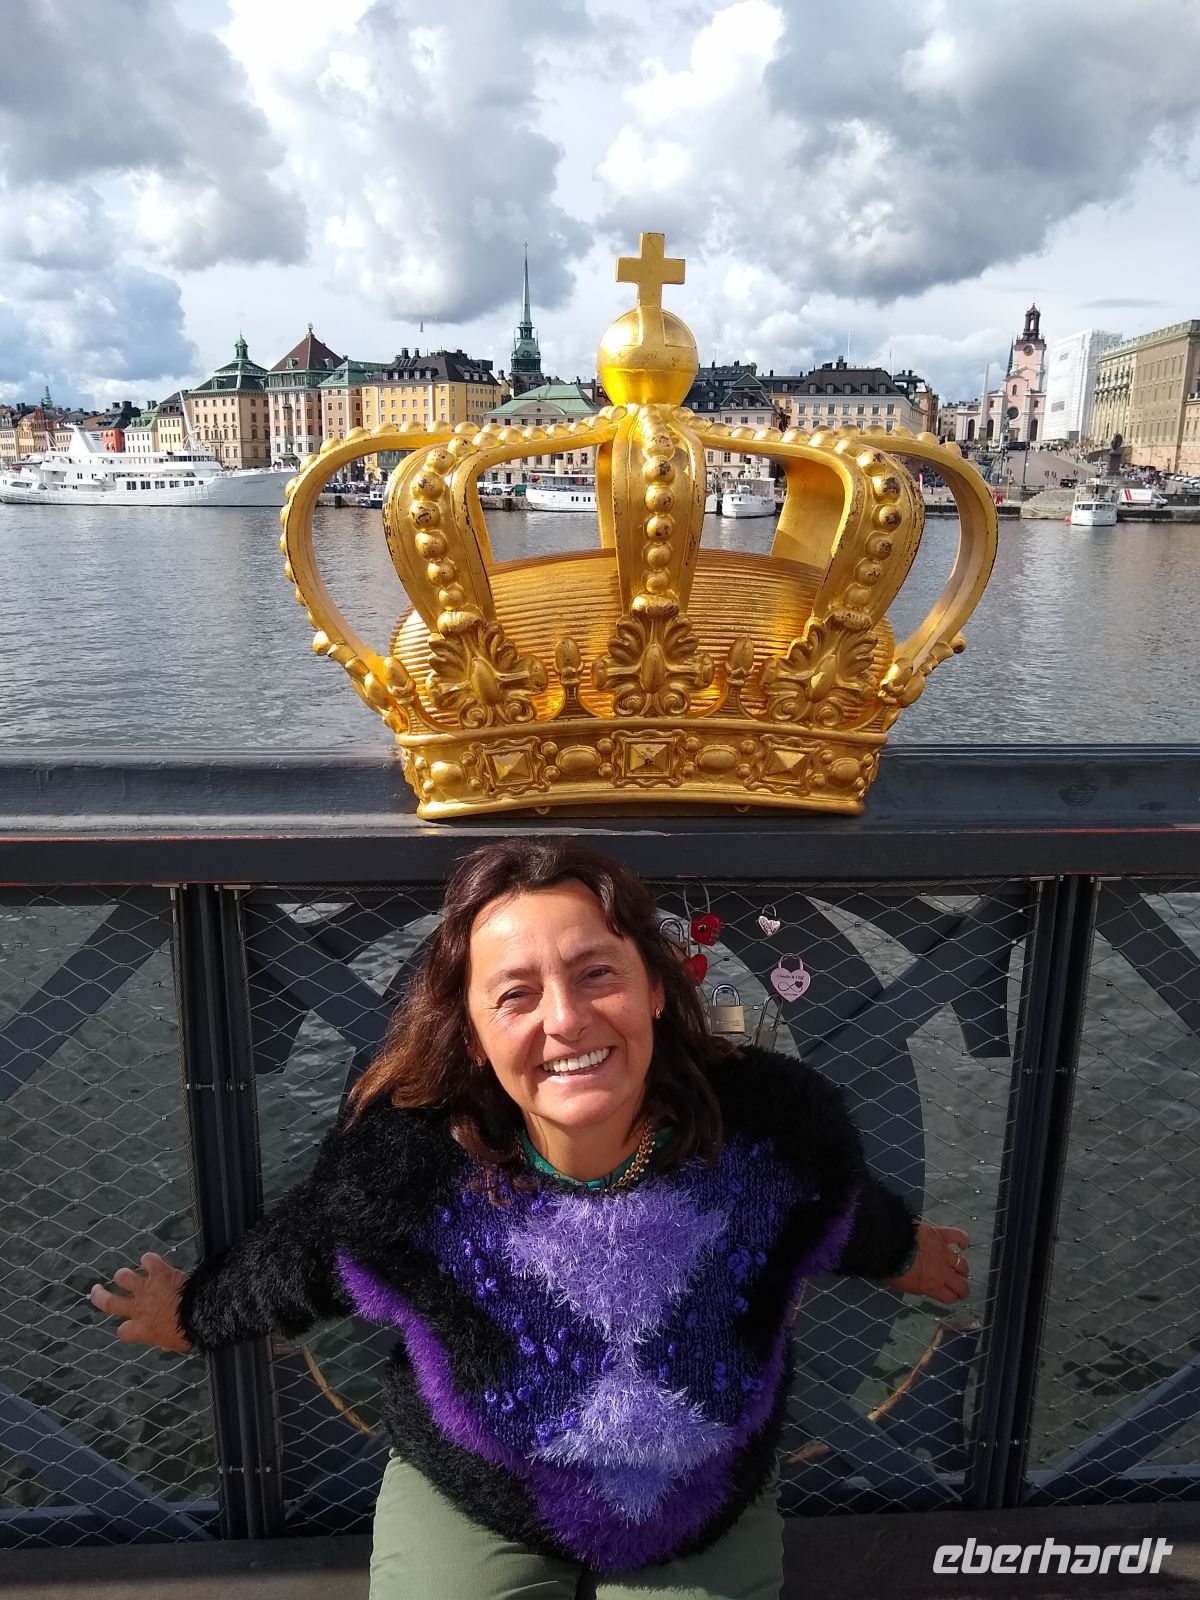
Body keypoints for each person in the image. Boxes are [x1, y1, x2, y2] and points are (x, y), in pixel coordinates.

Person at [90, 840, 969, 1599]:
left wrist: (904, 1253)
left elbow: (832, 1213)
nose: (567, 1019)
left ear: (655, 989)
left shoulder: (778, 1134)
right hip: (480, 1489)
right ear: (472, 1035)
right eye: (515, 995)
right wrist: (194, 1313)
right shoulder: (407, 1174)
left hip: (706, 1493)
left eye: (597, 974)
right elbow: (301, 1262)